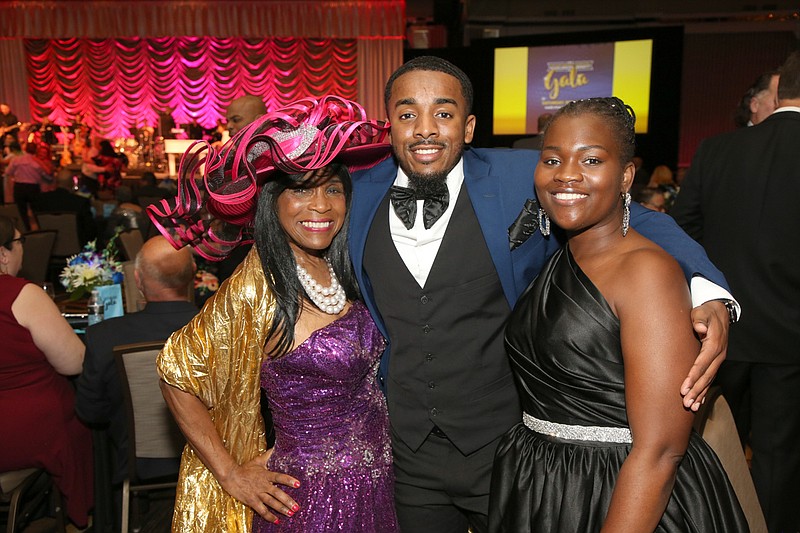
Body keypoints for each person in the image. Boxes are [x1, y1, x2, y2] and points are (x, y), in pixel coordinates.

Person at [347, 56, 738, 532]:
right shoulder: (354, 195)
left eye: (444, 113)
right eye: (408, 114)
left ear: (468, 127)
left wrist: (707, 286)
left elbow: (632, 211)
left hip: (507, 448)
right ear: (388, 124)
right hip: (406, 455)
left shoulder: (525, 175)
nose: (425, 129)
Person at [488, 97, 747, 532]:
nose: (567, 173)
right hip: (547, 486)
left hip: (618, 492)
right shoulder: (560, 256)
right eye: (552, 158)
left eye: (591, 159)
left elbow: (662, 450)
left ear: (626, 175)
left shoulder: (647, 272)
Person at [148, 96, 399, 531]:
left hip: (378, 486)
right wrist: (229, 472)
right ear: (273, 200)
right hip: (312, 503)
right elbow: (175, 371)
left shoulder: (349, 265)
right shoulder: (257, 284)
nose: (320, 205)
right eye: (301, 189)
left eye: (332, 188)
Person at [671, 50, 800, 533]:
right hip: (789, 338)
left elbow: (682, 236)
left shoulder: (716, 150)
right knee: (778, 460)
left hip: (718, 331)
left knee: (710, 447)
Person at [76, 236, 198, 484]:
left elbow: (90, 412)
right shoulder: (221, 331)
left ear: (138, 280)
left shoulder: (104, 336)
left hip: (138, 464)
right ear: (193, 274)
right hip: (215, 462)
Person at [0, 215, 93, 528]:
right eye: (19, 242)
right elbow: (73, 363)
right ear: (3, 253)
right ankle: (84, 513)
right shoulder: (20, 294)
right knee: (87, 418)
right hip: (24, 431)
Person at [4, 141, 52, 229]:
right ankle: (40, 228)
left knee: (21, 210)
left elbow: (8, 172)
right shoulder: (37, 162)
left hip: (19, 187)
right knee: (37, 209)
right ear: (36, 151)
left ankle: (25, 228)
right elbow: (45, 175)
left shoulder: (16, 160)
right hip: (33, 187)